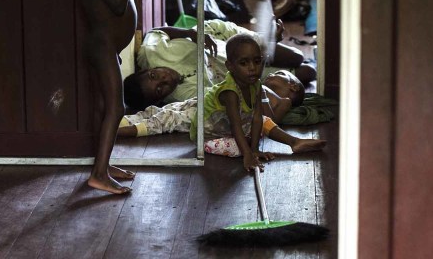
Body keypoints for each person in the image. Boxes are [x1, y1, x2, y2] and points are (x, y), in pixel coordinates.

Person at [64, 0, 137, 194]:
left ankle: (104, 165)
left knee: (102, 107)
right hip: (103, 47)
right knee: (116, 108)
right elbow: (118, 6)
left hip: (105, 46)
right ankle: (99, 175)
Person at [191, 34, 325, 172]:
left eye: (257, 61)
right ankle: (248, 149)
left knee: (263, 121)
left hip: (227, 127)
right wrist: (248, 155)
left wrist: (255, 150)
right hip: (209, 136)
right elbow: (235, 125)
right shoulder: (229, 92)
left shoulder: (256, 85)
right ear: (229, 66)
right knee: (241, 147)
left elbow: (257, 118)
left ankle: (294, 142)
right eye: (244, 63)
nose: (252, 68)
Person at [123, 19, 317, 110]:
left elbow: (159, 30)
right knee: (307, 72)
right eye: (160, 89)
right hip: (239, 68)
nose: (164, 79)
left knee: (296, 57)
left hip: (225, 39)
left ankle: (266, 45)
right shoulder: (182, 99)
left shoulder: (151, 52)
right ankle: (265, 54)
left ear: (148, 69)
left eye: (154, 76)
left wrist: (191, 34)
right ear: (159, 100)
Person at [117, 70, 305, 137]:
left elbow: (268, 121)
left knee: (170, 118)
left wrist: (260, 93)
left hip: (215, 114)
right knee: (164, 109)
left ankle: (117, 133)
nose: (271, 75)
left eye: (279, 74)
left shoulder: (283, 101)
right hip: (209, 98)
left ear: (293, 87)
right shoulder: (257, 86)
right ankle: (122, 121)